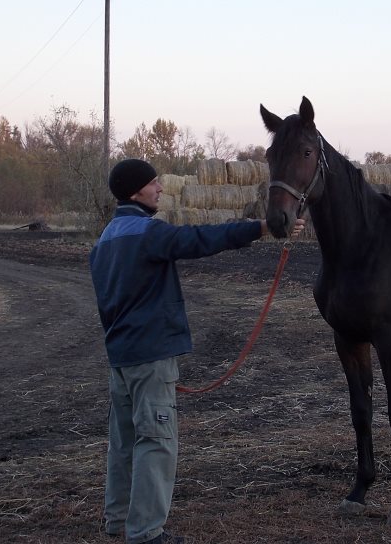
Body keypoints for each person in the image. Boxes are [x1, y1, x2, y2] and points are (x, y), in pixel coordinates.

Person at [90, 158, 304, 544]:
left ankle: (119, 521)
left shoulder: (104, 240)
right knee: (155, 441)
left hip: (121, 359)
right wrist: (261, 228)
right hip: (150, 357)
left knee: (123, 443)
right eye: (154, 183)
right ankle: (146, 533)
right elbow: (202, 238)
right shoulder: (147, 233)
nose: (160, 188)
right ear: (136, 192)